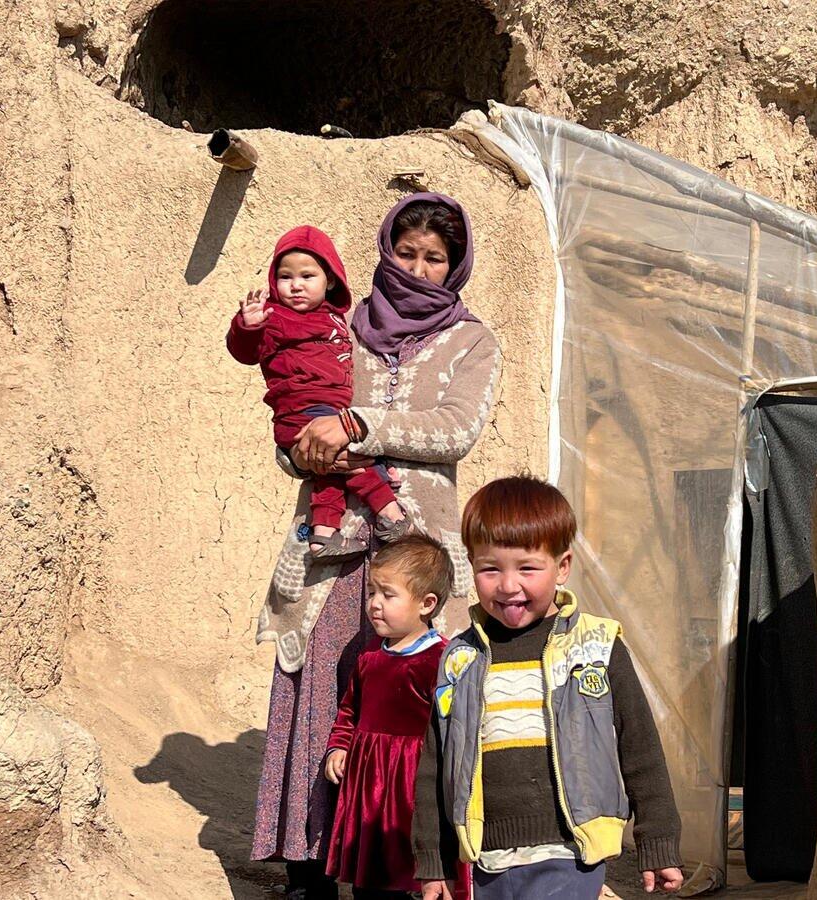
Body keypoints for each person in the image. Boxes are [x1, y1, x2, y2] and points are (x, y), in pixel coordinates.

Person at [252, 194, 502, 900]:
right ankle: (308, 868)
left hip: (417, 552)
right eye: (407, 254)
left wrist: (360, 425)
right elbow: (293, 414)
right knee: (317, 695)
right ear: (386, 253)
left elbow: (456, 429)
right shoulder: (341, 325)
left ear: (454, 267)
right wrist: (305, 449)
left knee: (409, 711)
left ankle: (403, 867)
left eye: (434, 259)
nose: (418, 269)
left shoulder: (472, 341)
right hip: (332, 548)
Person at [412, 475, 687, 899]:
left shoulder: (596, 648)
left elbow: (640, 748)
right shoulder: (461, 659)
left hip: (571, 851)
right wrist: (434, 860)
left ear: (562, 567)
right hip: (489, 860)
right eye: (490, 569)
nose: (508, 585)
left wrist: (658, 840)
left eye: (527, 568)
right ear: (471, 566)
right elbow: (436, 764)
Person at [226, 226, 409, 559]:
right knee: (354, 457)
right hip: (303, 409)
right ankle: (390, 513)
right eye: (285, 276)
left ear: (331, 280)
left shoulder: (334, 317)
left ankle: (323, 536)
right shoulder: (274, 317)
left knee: (330, 470)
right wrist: (248, 326)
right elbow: (246, 352)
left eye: (307, 276)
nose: (296, 285)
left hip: (325, 410)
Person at [323, 534, 452, 898]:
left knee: (411, 875)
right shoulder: (370, 655)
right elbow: (350, 709)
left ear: (426, 604)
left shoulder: (440, 660)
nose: (374, 604)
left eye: (388, 595)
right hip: (368, 785)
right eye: (371, 593)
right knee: (370, 877)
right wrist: (339, 747)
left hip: (413, 786)